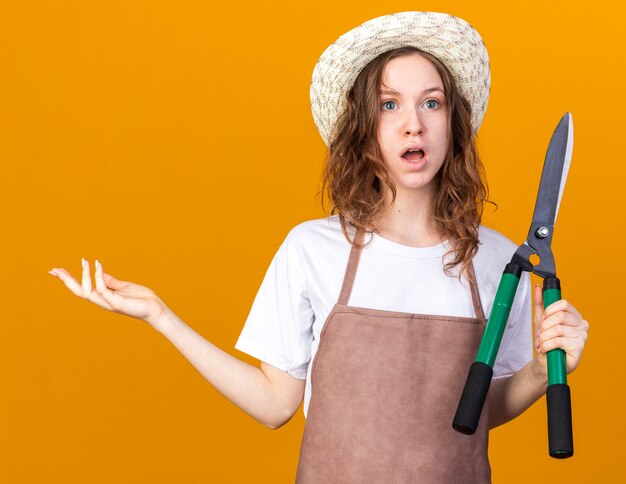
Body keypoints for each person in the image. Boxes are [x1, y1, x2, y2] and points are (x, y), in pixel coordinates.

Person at [49, 11, 589, 483]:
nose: (413, 125)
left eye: (432, 102)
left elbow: (479, 412)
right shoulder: (313, 248)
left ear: (454, 123)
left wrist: (542, 372)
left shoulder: (495, 260)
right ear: (362, 127)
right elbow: (274, 404)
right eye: (388, 105)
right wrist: (161, 316)